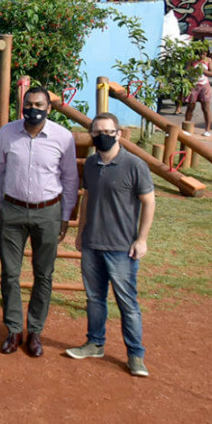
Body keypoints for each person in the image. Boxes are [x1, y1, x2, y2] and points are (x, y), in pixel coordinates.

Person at [66, 113, 155, 378]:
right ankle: (95, 343)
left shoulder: (134, 165)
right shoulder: (92, 164)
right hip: (92, 243)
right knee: (94, 298)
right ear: (92, 135)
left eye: (108, 131)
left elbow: (149, 202)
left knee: (127, 302)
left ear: (118, 133)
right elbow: (87, 198)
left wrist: (141, 239)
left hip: (121, 247)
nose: (102, 136)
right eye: (97, 131)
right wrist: (80, 232)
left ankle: (136, 355)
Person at [0, 86, 79, 357]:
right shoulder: (7, 133)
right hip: (13, 210)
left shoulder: (63, 138)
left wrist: (65, 216)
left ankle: (35, 331)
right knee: (9, 273)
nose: (33, 109)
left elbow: (70, 179)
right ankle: (14, 329)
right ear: (22, 105)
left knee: (44, 274)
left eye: (39, 105)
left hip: (48, 212)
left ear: (49, 108)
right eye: (28, 104)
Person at [183, 48, 212, 136]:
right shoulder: (192, 60)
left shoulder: (209, 60)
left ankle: (207, 130)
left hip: (204, 85)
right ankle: (186, 127)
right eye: (200, 54)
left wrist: (203, 71)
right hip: (194, 84)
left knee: (205, 107)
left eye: (204, 54)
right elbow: (187, 70)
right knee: (190, 106)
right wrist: (194, 70)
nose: (202, 56)